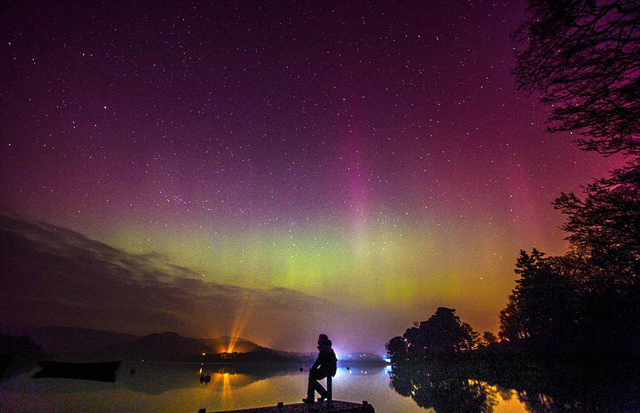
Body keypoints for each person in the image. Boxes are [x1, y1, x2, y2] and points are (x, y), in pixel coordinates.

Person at [303, 334, 337, 404]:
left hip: (327, 369)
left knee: (312, 376)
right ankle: (318, 395)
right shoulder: (327, 347)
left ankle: (319, 395)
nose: (318, 340)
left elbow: (319, 360)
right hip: (329, 369)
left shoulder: (324, 348)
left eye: (319, 339)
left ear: (323, 340)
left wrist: (313, 368)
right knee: (312, 376)